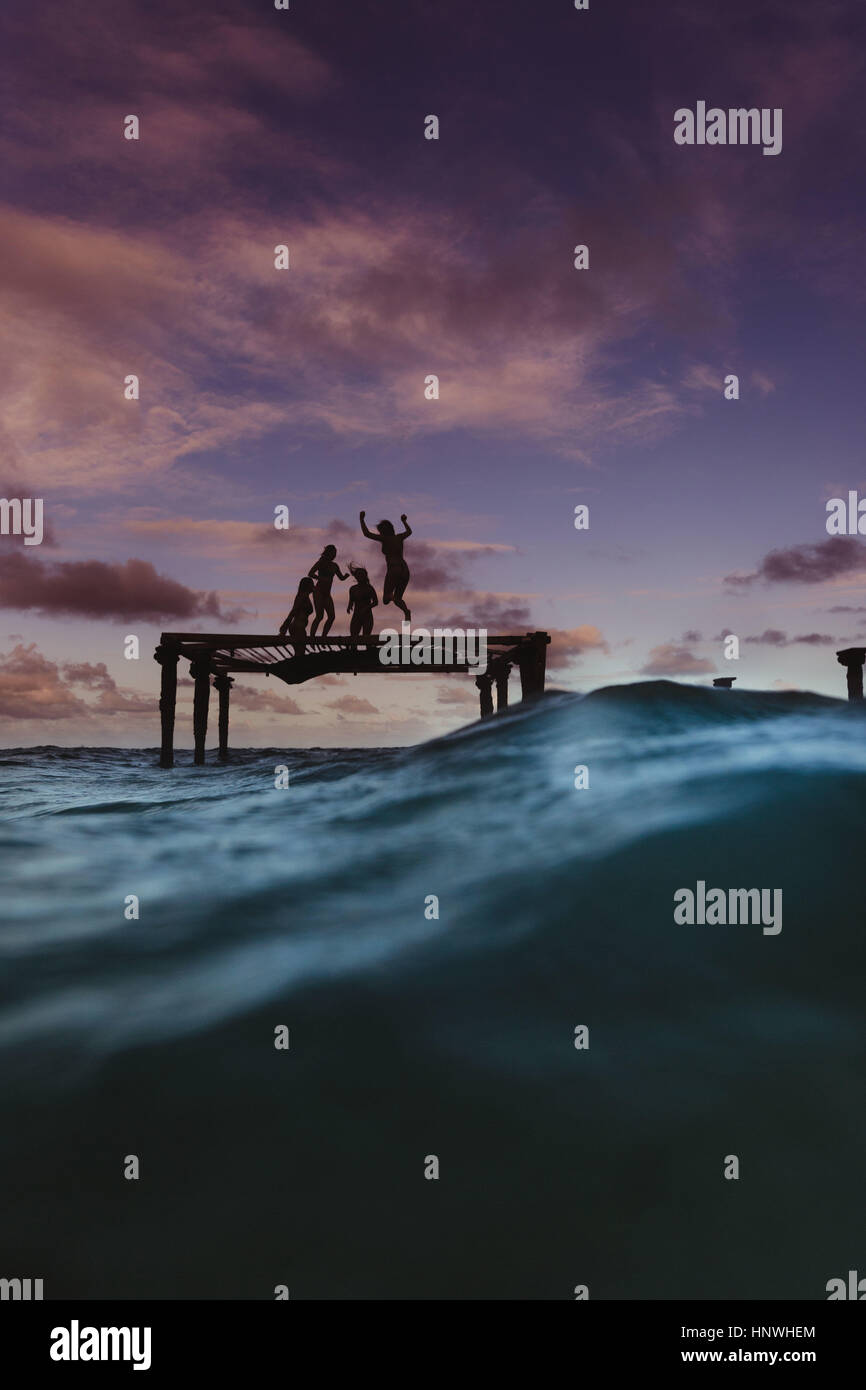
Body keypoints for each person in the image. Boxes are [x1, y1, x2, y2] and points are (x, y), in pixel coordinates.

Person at [359, 510, 412, 621]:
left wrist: (362, 519)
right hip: (405, 570)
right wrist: (404, 521)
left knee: (386, 599)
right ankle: (406, 611)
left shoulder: (385, 539)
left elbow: (367, 534)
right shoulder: (399, 537)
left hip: (394, 569)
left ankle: (397, 602)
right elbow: (409, 531)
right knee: (398, 598)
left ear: (383, 531)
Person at [308, 545, 348, 637]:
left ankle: (324, 636)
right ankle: (312, 637)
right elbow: (310, 573)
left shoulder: (335, 566)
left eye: (335, 553)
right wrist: (320, 578)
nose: (334, 555)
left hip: (327, 593)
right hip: (318, 591)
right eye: (332, 553)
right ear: (327, 553)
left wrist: (346, 576)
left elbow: (341, 578)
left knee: (332, 616)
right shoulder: (320, 563)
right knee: (319, 616)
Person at [279, 576, 315, 652]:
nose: (313, 586)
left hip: (299, 627)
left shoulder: (305, 596)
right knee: (300, 653)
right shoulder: (303, 596)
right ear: (307, 586)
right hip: (298, 627)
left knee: (300, 653)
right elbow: (294, 611)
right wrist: (284, 627)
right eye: (312, 584)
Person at [346, 565, 378, 640]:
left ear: (365, 576)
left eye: (361, 575)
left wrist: (367, 608)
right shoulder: (353, 589)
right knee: (353, 637)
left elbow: (376, 602)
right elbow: (351, 600)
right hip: (356, 615)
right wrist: (349, 606)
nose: (359, 577)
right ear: (356, 577)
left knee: (366, 638)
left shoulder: (369, 588)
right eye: (358, 575)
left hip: (367, 616)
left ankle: (368, 651)